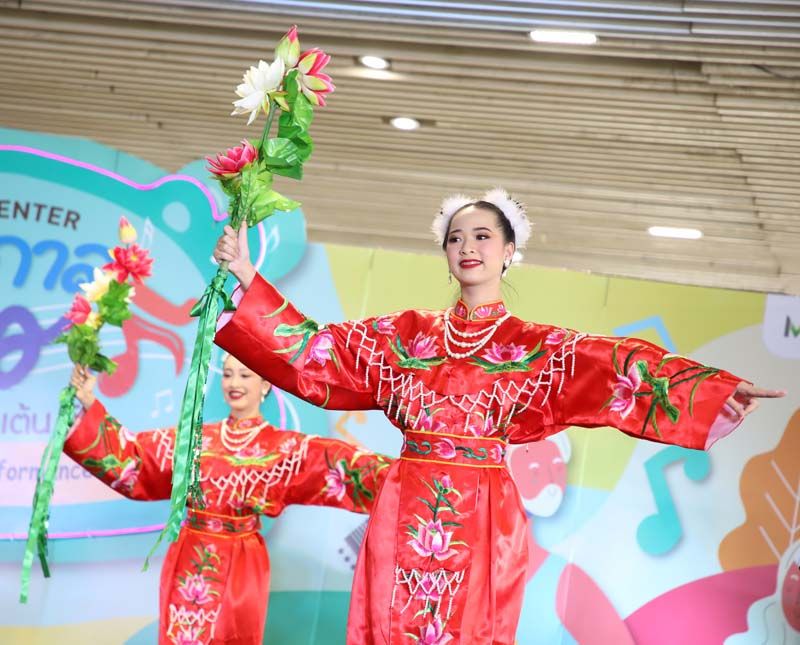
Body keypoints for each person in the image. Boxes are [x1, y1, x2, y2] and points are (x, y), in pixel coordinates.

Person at [212, 187, 785, 644]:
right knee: (391, 620)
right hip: (405, 504)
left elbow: (618, 366)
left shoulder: (535, 347)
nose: (468, 246)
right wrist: (246, 275)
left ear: (509, 250)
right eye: (456, 238)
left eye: (483, 236)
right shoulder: (404, 335)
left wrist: (713, 390)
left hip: (483, 511)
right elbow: (317, 353)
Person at [64, 354, 390, 645]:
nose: (235, 383)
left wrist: (405, 477)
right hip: (192, 557)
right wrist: (89, 401)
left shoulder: (282, 448)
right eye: (228, 374)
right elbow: (136, 459)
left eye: (245, 375)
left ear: (265, 385)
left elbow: (334, 463)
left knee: (234, 635)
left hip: (242, 561)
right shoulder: (195, 441)